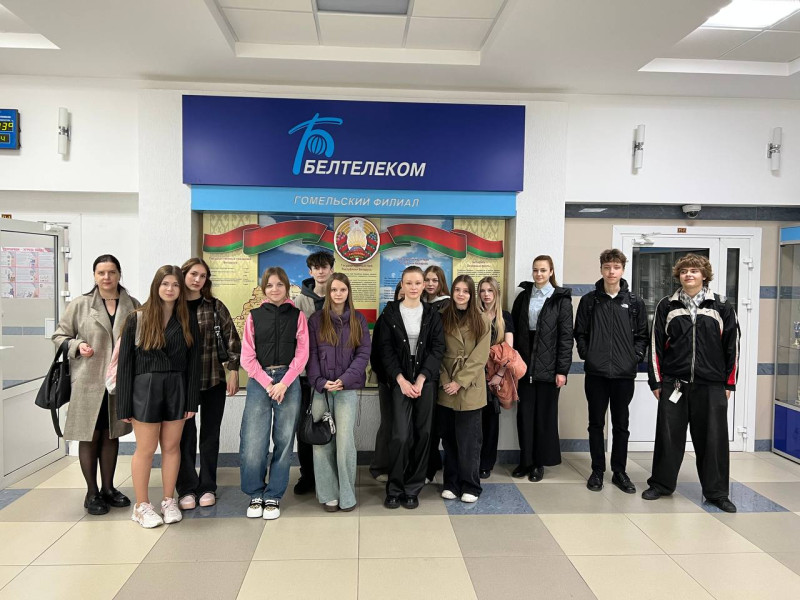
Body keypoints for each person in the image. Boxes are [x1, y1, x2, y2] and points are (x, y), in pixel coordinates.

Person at [643, 254, 740, 512]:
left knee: (713, 441)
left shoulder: (721, 306)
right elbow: (655, 346)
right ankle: (661, 485)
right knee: (668, 437)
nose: (689, 274)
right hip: (675, 383)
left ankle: (717, 493)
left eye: (694, 270)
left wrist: (729, 384)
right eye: (684, 270)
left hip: (712, 385)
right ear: (678, 275)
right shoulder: (667, 305)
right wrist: (656, 381)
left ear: (704, 275)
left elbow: (733, 347)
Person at [52, 255, 140, 515]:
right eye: (101, 272)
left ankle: (108, 488)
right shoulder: (80, 305)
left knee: (112, 434)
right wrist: (77, 345)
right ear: (94, 275)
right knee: (90, 435)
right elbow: (59, 335)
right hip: (88, 381)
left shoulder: (133, 305)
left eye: (111, 272)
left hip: (118, 382)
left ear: (119, 274)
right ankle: (92, 493)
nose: (106, 277)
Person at [116, 265, 201, 528]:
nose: (170, 289)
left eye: (175, 284)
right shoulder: (137, 318)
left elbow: (194, 363)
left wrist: (191, 400)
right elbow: (125, 365)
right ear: (156, 286)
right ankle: (141, 506)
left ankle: (168, 500)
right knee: (146, 448)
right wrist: (123, 405)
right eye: (165, 283)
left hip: (176, 387)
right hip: (145, 389)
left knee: (172, 448)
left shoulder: (187, 319)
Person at [574, 249, 648, 494]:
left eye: (616, 267)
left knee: (621, 425)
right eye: (607, 267)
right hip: (596, 374)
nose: (611, 271)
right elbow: (580, 333)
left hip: (623, 375)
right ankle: (597, 470)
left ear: (622, 270)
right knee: (595, 424)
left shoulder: (635, 302)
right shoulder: (590, 301)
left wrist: (634, 358)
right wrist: (588, 354)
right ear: (601, 269)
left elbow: (642, 336)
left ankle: (619, 472)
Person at [240, 266, 309, 520]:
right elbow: (247, 356)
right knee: (253, 440)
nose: (275, 289)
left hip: (288, 382)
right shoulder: (254, 316)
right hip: (260, 381)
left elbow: (302, 354)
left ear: (287, 287)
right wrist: (268, 384)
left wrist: (284, 383)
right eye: (269, 285)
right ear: (263, 289)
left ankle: (274, 495)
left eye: (279, 284)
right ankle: (255, 493)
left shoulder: (298, 316)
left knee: (284, 440)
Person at [176, 258, 242, 510]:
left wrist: (233, 371)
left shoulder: (215, 306)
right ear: (183, 274)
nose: (197, 280)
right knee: (185, 436)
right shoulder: (172, 306)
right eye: (193, 274)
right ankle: (186, 488)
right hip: (182, 384)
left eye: (202, 276)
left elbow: (232, 339)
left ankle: (207, 486)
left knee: (210, 435)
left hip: (212, 379)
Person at [378, 266, 445, 509]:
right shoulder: (390, 313)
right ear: (402, 285)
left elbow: (438, 348)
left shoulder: (432, 314)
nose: (414, 287)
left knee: (424, 434)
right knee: (400, 435)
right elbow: (384, 349)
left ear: (424, 285)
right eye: (409, 283)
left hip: (425, 381)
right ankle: (395, 487)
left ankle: (413, 488)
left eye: (418, 283)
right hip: (400, 380)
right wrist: (401, 380)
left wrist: (421, 379)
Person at [306, 274, 371, 512]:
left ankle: (347, 495)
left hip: (346, 389)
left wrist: (344, 379)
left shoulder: (358, 319)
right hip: (321, 391)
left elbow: (363, 354)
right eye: (334, 289)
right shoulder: (316, 320)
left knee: (344, 443)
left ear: (348, 292)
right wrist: (320, 382)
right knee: (322, 442)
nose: (338, 294)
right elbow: (311, 354)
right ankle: (329, 494)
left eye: (342, 289)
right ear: (328, 292)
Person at [511, 255, 573, 482]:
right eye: (535, 270)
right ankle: (525, 461)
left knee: (544, 417)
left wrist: (562, 371)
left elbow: (566, 338)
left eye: (543, 270)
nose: (538, 274)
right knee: (525, 415)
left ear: (551, 272)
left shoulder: (561, 300)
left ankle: (538, 463)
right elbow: (514, 331)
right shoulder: (523, 297)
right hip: (525, 365)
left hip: (549, 367)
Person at [438, 275, 491, 502]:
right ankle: (451, 483)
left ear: (472, 294)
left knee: (469, 440)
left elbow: (480, 356)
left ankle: (471, 485)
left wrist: (459, 381)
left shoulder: (482, 319)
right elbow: (436, 351)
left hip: (470, 386)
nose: (461, 294)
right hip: (445, 386)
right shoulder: (442, 317)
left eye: (466, 291)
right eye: (457, 290)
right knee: (449, 439)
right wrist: (445, 380)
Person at [293, 251, 335, 495]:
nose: (320, 271)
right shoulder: (300, 301)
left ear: (331, 269)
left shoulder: (338, 295)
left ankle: (329, 475)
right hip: (305, 377)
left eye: (324, 267)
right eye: (316, 268)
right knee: (306, 425)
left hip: (332, 375)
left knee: (332, 424)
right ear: (310, 272)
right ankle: (307, 475)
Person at [478, 276, 514, 479]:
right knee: (474, 421)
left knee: (491, 422)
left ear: (496, 293)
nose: (486, 294)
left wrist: (499, 374)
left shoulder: (504, 317)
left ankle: (486, 463)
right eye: (483, 291)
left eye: (490, 290)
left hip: (495, 376)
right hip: (476, 374)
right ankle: (473, 460)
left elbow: (509, 351)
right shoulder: (475, 315)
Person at [369, 282, 403, 482]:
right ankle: (380, 466)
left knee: (406, 427)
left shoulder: (422, 317)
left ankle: (403, 467)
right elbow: (377, 352)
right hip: (388, 382)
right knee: (388, 423)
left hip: (412, 384)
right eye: (401, 293)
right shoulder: (385, 317)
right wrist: (386, 378)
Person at [423, 264, 450, 483]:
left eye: (435, 280)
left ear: (441, 282)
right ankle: (429, 465)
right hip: (424, 371)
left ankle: (434, 466)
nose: (431, 284)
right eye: (428, 280)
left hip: (443, 369)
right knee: (427, 424)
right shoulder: (419, 303)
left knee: (440, 424)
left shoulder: (447, 304)